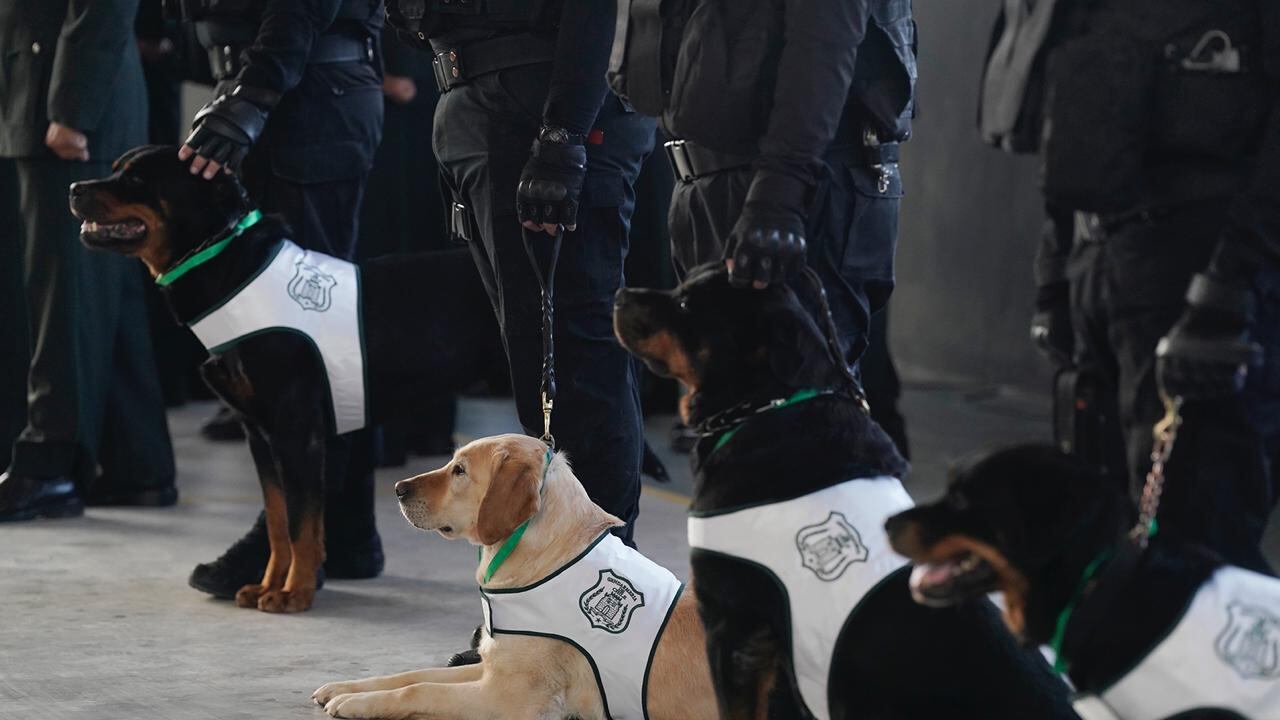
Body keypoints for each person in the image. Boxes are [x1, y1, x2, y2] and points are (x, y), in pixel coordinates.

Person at [997, 0, 1280, 572]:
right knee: (1111, 546)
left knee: (1198, 548)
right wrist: (1055, 269)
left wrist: (1229, 286)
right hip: (1101, 261)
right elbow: (1072, 101)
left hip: (1204, 261)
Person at [382, 0, 657, 545]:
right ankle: (564, 574)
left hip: (543, 108)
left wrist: (564, 135)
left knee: (575, 368)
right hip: (480, 102)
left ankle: (601, 575)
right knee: (540, 366)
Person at [172, 0, 389, 595]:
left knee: (308, 342)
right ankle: (339, 529)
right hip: (275, 90)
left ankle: (313, 532)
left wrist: (251, 96)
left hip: (303, 99)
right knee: (302, 339)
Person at [610, 0, 917, 408]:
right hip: (714, 179)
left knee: (798, 418)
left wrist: (779, 198)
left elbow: (824, 46)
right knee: (736, 416)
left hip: (791, 185)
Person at [0, 0, 178, 521]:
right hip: (42, 91)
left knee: (64, 296)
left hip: (64, 104)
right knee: (102, 299)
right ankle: (136, 464)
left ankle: (50, 466)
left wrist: (71, 107)